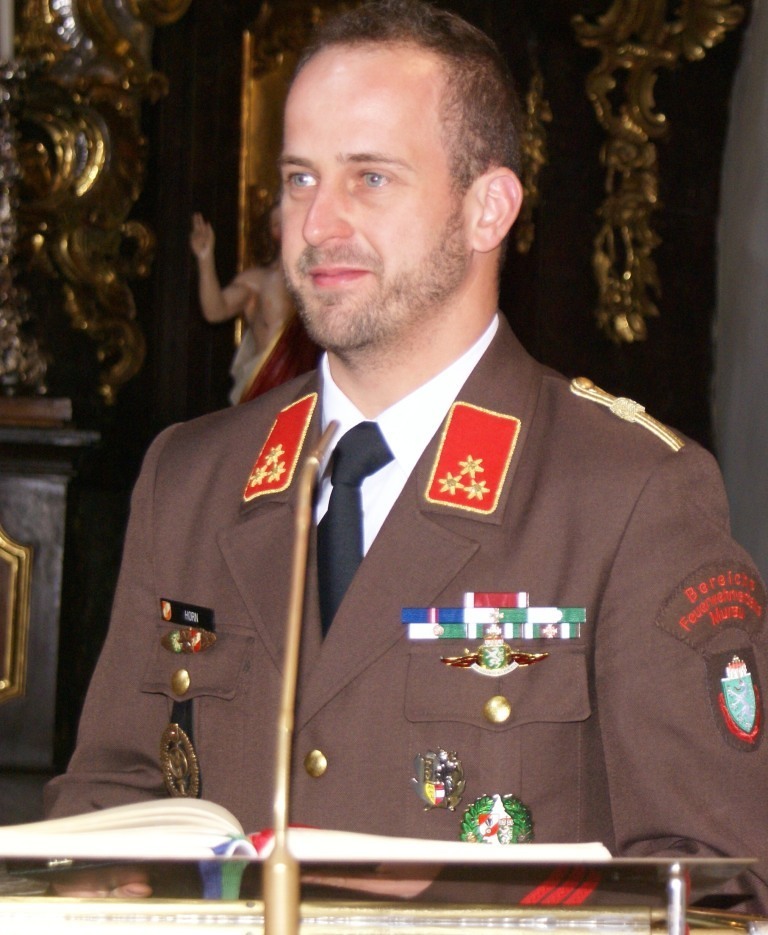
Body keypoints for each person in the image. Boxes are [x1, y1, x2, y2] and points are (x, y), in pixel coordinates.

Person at [45, 0, 768, 911]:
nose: (318, 223)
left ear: (488, 208)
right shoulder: (190, 477)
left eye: (371, 177)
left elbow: (715, 892)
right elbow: (106, 806)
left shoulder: (626, 493)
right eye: (299, 178)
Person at [190, 207, 316, 404]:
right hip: (266, 389)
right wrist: (205, 258)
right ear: (272, 232)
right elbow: (215, 311)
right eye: (279, 224)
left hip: (308, 390)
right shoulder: (258, 281)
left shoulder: (322, 282)